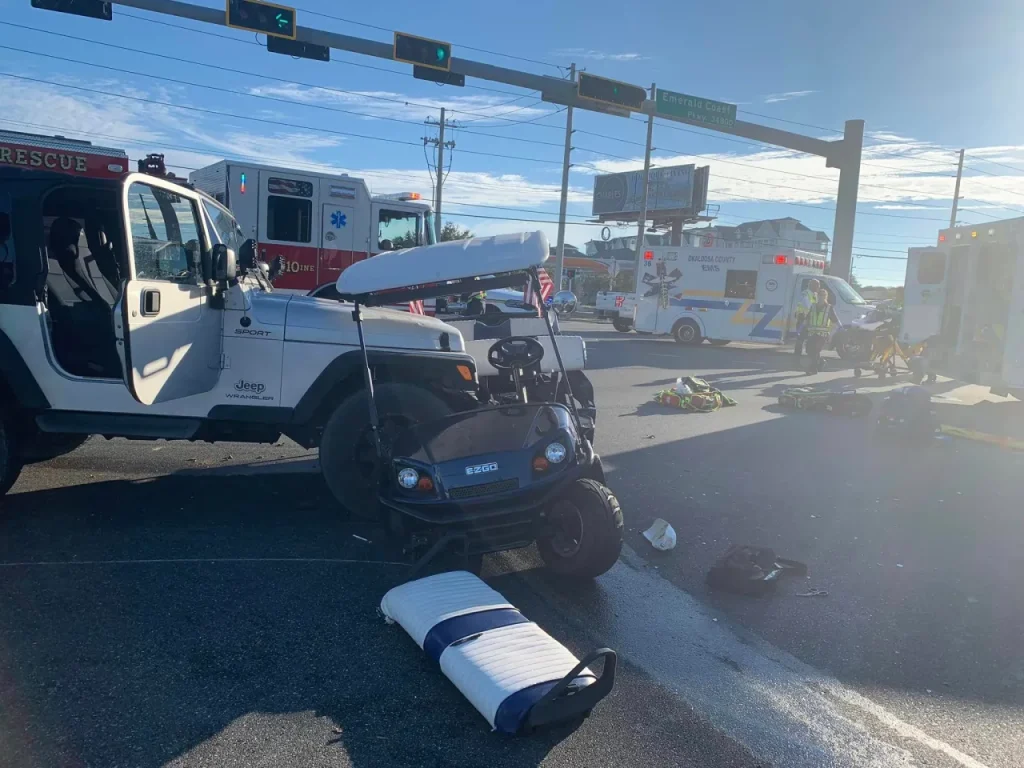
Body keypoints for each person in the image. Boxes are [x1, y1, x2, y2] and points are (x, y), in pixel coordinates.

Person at [805, 287, 838, 374]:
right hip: (812, 333)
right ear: (817, 296)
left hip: (822, 334)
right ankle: (821, 362)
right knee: (809, 350)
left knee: (815, 351)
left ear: (826, 297)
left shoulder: (829, 308)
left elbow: (835, 321)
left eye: (823, 295)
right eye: (820, 295)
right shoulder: (813, 306)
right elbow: (808, 318)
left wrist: (831, 335)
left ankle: (812, 369)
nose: (821, 297)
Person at [793, 278, 820, 358]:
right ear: (812, 285)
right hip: (803, 318)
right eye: (817, 285)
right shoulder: (805, 293)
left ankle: (808, 353)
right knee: (801, 337)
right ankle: (797, 355)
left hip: (810, 318)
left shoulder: (814, 295)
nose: (818, 287)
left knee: (809, 337)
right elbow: (807, 305)